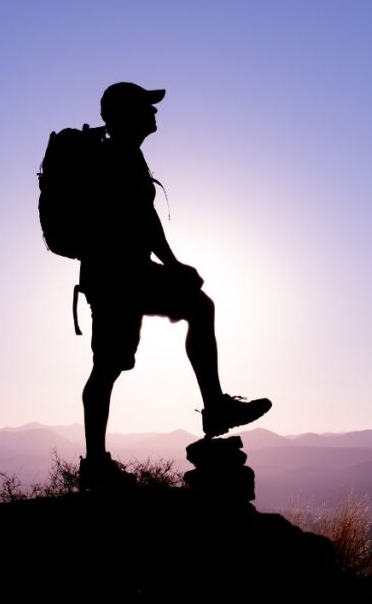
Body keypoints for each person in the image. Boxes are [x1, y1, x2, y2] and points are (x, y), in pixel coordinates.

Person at [76, 82, 272, 491]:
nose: (155, 113)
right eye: (147, 107)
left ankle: (211, 409)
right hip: (118, 277)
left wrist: (174, 265)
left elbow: (145, 221)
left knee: (121, 359)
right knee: (111, 364)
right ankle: (99, 461)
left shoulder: (127, 154)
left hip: (118, 275)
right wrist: (174, 266)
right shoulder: (117, 157)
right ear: (126, 113)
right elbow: (142, 223)